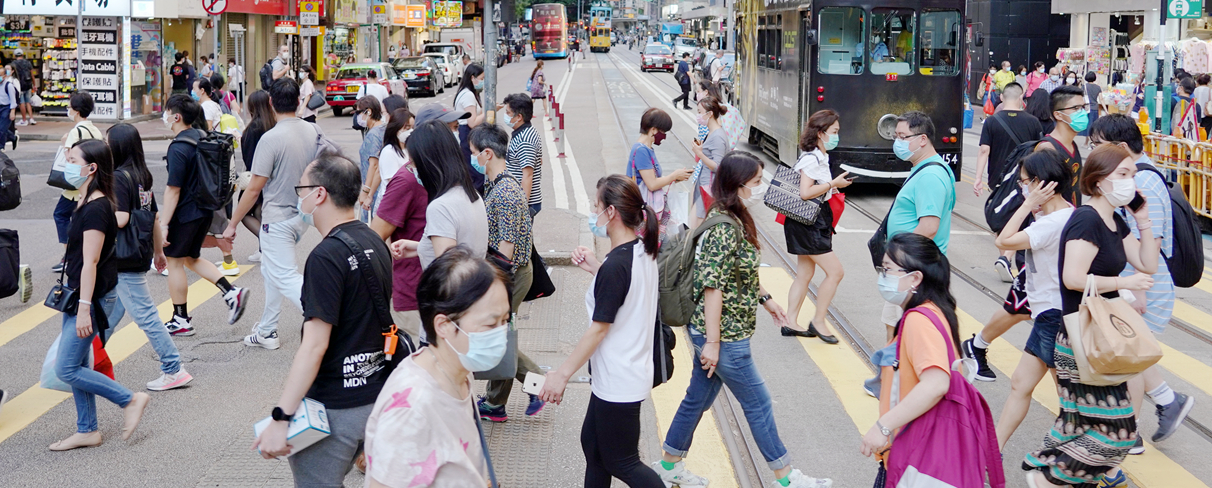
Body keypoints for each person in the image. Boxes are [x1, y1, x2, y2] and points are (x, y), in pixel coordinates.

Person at [653, 152, 831, 488]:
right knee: (759, 403)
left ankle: (668, 464)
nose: (760, 187)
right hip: (725, 336)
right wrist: (714, 343)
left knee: (697, 398)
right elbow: (712, 286)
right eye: (756, 182)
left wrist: (766, 300)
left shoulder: (732, 217)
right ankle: (786, 479)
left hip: (722, 331)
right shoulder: (723, 226)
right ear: (738, 185)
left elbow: (739, 271)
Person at [253, 153, 398, 484]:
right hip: (375, 394)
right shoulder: (374, 239)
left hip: (335, 408)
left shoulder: (326, 257)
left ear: (319, 194)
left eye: (301, 188)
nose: (298, 195)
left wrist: (281, 417)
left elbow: (314, 347)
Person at [1023, 143, 1159, 488]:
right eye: (1123, 174)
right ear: (1098, 181)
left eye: (1132, 174)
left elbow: (1148, 263)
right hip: (1082, 339)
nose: (1131, 182)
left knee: (1079, 424)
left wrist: (1142, 219)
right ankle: (1049, 476)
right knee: (1119, 431)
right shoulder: (1086, 218)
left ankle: (1051, 471)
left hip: (1098, 337)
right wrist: (1123, 281)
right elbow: (1073, 277)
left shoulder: (1114, 221)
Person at [538, 175, 663, 487]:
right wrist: (596, 267)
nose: (594, 212)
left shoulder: (617, 265)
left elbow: (598, 329)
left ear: (611, 213)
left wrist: (561, 374)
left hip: (620, 378)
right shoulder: (639, 251)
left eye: (597, 206)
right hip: (622, 372)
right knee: (593, 447)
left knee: (622, 462)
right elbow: (627, 294)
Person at [1090, 115, 1194, 454]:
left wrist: (1132, 292)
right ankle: (1167, 402)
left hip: (1144, 286)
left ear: (1121, 148)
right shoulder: (1137, 176)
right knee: (1129, 356)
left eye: (1099, 144)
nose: (1094, 152)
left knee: (1127, 359)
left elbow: (1147, 243)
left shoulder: (1142, 182)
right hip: (1139, 283)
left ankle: (1128, 432)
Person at [362, 247, 507, 487]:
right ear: (444, 325)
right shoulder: (412, 409)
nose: (501, 334)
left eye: (505, 321)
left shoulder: (458, 370)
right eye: (491, 324)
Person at [49, 139, 151, 451]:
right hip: (81, 293)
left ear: (91, 168)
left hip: (89, 298)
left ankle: (130, 399)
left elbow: (91, 262)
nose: (67, 164)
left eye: (72, 159)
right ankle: (87, 429)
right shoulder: (87, 199)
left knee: (66, 368)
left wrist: (83, 309)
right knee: (77, 363)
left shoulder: (96, 208)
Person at [858, 233, 965, 481]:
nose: (882, 276)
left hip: (911, 455)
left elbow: (937, 383)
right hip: (918, 449)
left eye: (888, 269)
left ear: (915, 277)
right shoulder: (935, 310)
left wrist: (882, 426)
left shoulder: (919, 320)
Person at [986, 150, 1074, 449]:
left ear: (1039, 184)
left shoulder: (1051, 223)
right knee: (1021, 384)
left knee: (1069, 399)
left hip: (1055, 317)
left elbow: (1003, 240)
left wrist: (1027, 204)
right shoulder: (1066, 214)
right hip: (1050, 315)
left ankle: (1099, 465)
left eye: (1024, 182)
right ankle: (993, 450)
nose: (1021, 188)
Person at [225, 77, 319, 350]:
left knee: (285, 275)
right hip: (303, 213)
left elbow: (254, 188)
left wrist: (232, 224)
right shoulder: (312, 131)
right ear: (299, 100)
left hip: (277, 217)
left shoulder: (271, 138)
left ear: (270, 102)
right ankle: (267, 330)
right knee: (271, 271)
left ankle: (329, 316)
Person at [106, 123, 193, 391]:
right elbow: (152, 215)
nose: (106, 148)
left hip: (124, 256)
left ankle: (173, 367)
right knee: (108, 314)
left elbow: (120, 219)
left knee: (146, 316)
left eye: (108, 143)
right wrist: (158, 251)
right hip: (138, 251)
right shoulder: (141, 175)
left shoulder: (119, 177)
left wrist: (94, 216)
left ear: (118, 147)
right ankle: (86, 360)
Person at [159, 95, 251, 336]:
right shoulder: (201, 136)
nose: (165, 117)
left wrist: (165, 224)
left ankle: (180, 318)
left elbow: (173, 189)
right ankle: (231, 292)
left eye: (167, 112)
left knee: (175, 262)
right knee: (191, 258)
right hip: (204, 210)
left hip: (186, 213)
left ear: (176, 116)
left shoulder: (179, 147)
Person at [470, 124, 544, 422]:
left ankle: (538, 383)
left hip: (510, 276)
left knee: (498, 338)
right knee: (501, 336)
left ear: (487, 154)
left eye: (474, 153)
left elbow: (506, 252)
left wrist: (492, 292)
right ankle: (496, 402)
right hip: (510, 273)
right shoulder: (498, 185)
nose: (472, 158)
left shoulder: (506, 193)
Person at [881, 112, 956, 342]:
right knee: (897, 326)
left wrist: (898, 260)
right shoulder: (924, 168)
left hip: (912, 269)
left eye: (903, 136)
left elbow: (930, 226)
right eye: (896, 136)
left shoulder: (930, 176)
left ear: (922, 139)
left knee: (902, 331)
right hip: (911, 267)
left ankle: (897, 373)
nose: (898, 142)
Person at [782, 109, 852, 343]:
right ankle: (818, 320)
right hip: (809, 221)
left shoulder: (819, 156)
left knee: (805, 272)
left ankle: (790, 321)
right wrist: (833, 182)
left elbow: (817, 189)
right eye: (834, 132)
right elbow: (805, 193)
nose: (837, 136)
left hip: (810, 219)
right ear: (821, 134)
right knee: (835, 272)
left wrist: (832, 186)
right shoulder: (812, 158)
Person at [974, 82, 1043, 285]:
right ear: (1022, 98)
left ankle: (1005, 257)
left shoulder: (992, 121)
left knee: (1001, 216)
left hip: (998, 178)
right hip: (1025, 180)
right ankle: (1008, 258)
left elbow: (984, 150)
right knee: (1023, 218)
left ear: (1002, 99)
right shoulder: (1033, 122)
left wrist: (978, 178)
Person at [370, 109, 427, 342]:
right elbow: (376, 236)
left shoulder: (438, 175)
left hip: (438, 290)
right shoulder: (406, 178)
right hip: (411, 288)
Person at [404, 119, 488, 269]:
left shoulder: (440, 207)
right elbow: (463, 246)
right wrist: (421, 248)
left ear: (427, 164)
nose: (411, 169)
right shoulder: (472, 194)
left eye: (413, 163)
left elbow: (449, 274)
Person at [52, 93, 105, 273]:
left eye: (69, 107)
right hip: (91, 181)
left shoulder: (76, 132)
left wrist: (65, 143)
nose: (68, 110)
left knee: (61, 215)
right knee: (80, 218)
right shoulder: (95, 130)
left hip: (76, 185)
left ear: (75, 110)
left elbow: (70, 159)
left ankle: (69, 255)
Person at [628, 108, 692, 240]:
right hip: (643, 210)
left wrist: (676, 178)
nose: (664, 136)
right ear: (653, 130)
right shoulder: (641, 151)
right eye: (663, 132)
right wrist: (673, 175)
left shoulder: (648, 149)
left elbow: (651, 179)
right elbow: (651, 184)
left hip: (648, 208)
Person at [359, 96, 411, 218]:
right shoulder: (391, 142)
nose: (384, 117)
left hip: (392, 205)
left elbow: (374, 166)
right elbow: (379, 169)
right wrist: (369, 194)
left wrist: (367, 192)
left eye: (385, 113)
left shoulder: (388, 146)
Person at [237, 90, 274, 262]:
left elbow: (250, 158)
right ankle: (265, 247)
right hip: (272, 178)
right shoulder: (273, 124)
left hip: (256, 178)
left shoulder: (253, 129)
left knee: (243, 212)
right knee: (261, 213)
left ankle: (267, 246)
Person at [1037, 85, 1086, 206]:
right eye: (1076, 108)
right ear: (1058, 115)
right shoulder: (1048, 148)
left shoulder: (1072, 144)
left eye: (1083, 107)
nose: (1082, 113)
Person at [689, 96, 730, 230]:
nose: (698, 115)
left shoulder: (718, 136)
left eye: (700, 112)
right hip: (704, 186)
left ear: (710, 113)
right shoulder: (712, 132)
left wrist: (700, 154)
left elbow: (718, 167)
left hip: (709, 188)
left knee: (698, 228)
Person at [504, 93, 544, 217]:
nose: (505, 116)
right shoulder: (523, 133)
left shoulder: (525, 139)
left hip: (526, 203)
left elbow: (528, 175)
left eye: (508, 113)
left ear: (519, 117)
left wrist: (522, 209)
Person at [454, 63, 487, 192]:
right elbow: (472, 122)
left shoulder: (465, 92)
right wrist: (489, 111)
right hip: (467, 134)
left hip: (466, 133)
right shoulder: (468, 95)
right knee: (475, 174)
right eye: (482, 79)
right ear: (473, 78)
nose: (482, 82)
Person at [355, 97, 386, 223]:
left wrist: (366, 192)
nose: (358, 117)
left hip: (374, 190)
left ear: (369, 112)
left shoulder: (373, 135)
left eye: (359, 112)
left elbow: (373, 165)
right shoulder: (384, 128)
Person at [1171, 76, 1202, 140]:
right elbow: (1197, 126)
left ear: (1181, 88)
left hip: (1173, 137)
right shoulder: (1197, 105)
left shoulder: (1172, 100)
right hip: (1190, 139)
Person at [11, 49, 34, 126]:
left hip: (19, 85)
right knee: (28, 102)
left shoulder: (13, 64)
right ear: (22, 55)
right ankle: (31, 118)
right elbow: (32, 74)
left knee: (21, 103)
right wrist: (34, 84)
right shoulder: (27, 62)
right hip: (28, 84)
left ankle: (24, 120)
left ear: (15, 55)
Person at [0, 65, 19, 149]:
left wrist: (12, 111)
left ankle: (1, 146)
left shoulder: (9, 86)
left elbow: (13, 100)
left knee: (2, 129)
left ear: (4, 76)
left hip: (6, 108)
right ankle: (12, 137)